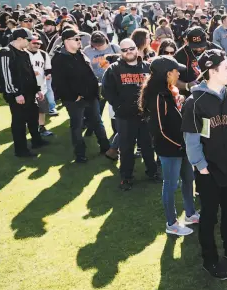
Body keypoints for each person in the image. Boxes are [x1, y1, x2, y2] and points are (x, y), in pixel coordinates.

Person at [182, 49, 227, 280]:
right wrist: (201, 166)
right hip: (209, 169)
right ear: (212, 70)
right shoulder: (196, 102)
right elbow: (192, 138)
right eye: (226, 67)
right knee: (209, 216)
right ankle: (210, 259)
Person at [139, 56, 198, 236]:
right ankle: (171, 223)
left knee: (189, 179)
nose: (179, 73)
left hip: (182, 146)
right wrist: (179, 145)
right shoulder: (157, 96)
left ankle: (190, 214)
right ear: (167, 74)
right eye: (175, 71)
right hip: (169, 149)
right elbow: (159, 129)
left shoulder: (169, 91)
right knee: (171, 185)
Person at [102, 38, 160, 191]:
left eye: (131, 48)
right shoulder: (114, 69)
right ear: (120, 52)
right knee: (126, 148)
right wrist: (119, 106)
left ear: (137, 49)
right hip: (125, 117)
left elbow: (155, 89)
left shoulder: (148, 67)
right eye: (124, 50)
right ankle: (126, 177)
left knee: (148, 146)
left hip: (145, 115)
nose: (128, 52)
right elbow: (106, 91)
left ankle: (152, 172)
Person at [51, 29, 111, 163]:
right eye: (76, 39)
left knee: (97, 122)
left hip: (90, 96)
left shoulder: (81, 54)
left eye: (79, 39)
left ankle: (106, 148)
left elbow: (89, 75)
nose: (80, 41)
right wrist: (73, 97)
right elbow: (58, 82)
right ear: (66, 41)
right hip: (74, 100)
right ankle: (80, 154)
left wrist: (95, 92)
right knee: (77, 126)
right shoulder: (59, 58)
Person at [0, 28, 48, 157]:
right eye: (28, 39)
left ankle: (37, 141)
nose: (30, 42)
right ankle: (21, 150)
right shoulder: (6, 52)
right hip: (17, 95)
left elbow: (30, 73)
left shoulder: (24, 53)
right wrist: (16, 93)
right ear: (20, 39)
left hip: (30, 93)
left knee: (33, 118)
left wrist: (37, 89)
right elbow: (6, 75)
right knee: (19, 122)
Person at [174, 27, 219, 96]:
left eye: (201, 46)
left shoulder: (216, 50)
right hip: (190, 95)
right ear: (187, 42)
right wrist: (187, 85)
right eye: (194, 46)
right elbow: (172, 79)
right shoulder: (180, 55)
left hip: (214, 92)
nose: (198, 49)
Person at [26, 35, 54, 137]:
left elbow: (48, 68)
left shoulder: (43, 54)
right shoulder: (23, 54)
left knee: (42, 109)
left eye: (38, 43)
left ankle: (41, 127)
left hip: (41, 87)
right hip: (27, 87)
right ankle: (30, 127)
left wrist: (48, 74)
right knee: (28, 110)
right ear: (28, 42)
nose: (37, 45)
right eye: (34, 43)